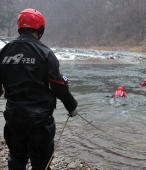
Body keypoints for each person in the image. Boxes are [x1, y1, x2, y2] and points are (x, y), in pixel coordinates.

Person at [0, 9, 78, 170]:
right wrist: (72, 107)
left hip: (13, 116)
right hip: (40, 120)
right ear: (40, 29)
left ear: (20, 27)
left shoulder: (5, 51)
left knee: (16, 158)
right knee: (41, 162)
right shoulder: (45, 53)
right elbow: (59, 86)